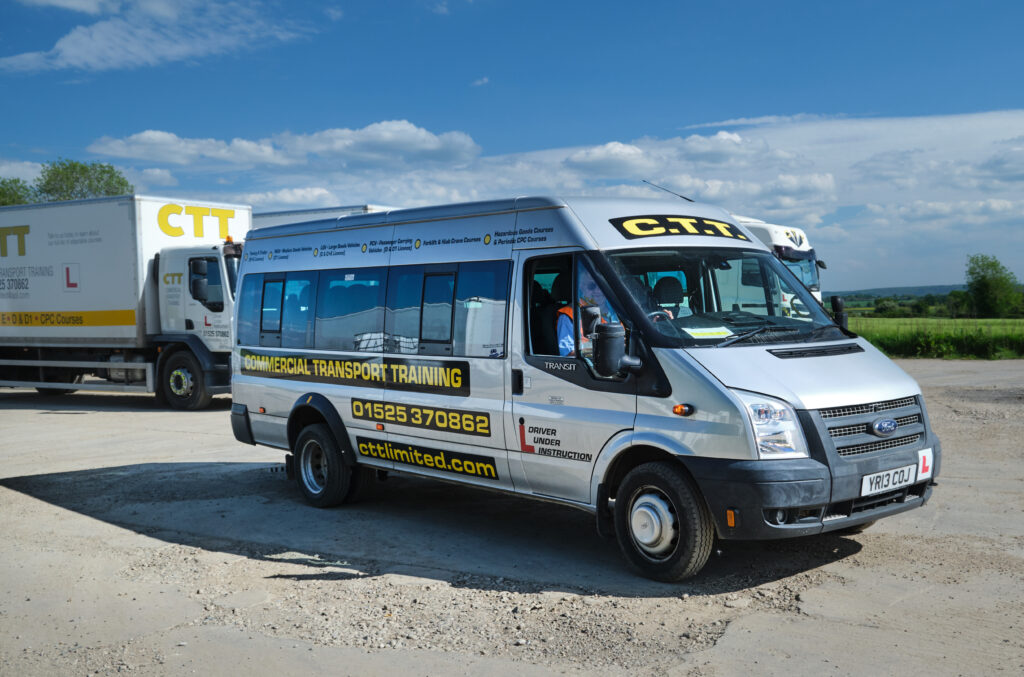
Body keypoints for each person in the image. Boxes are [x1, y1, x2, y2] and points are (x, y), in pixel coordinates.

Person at [557, 267, 615, 357]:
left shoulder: (618, 309)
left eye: (601, 285)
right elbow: (569, 355)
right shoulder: (569, 315)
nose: (598, 291)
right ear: (581, 287)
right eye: (591, 286)